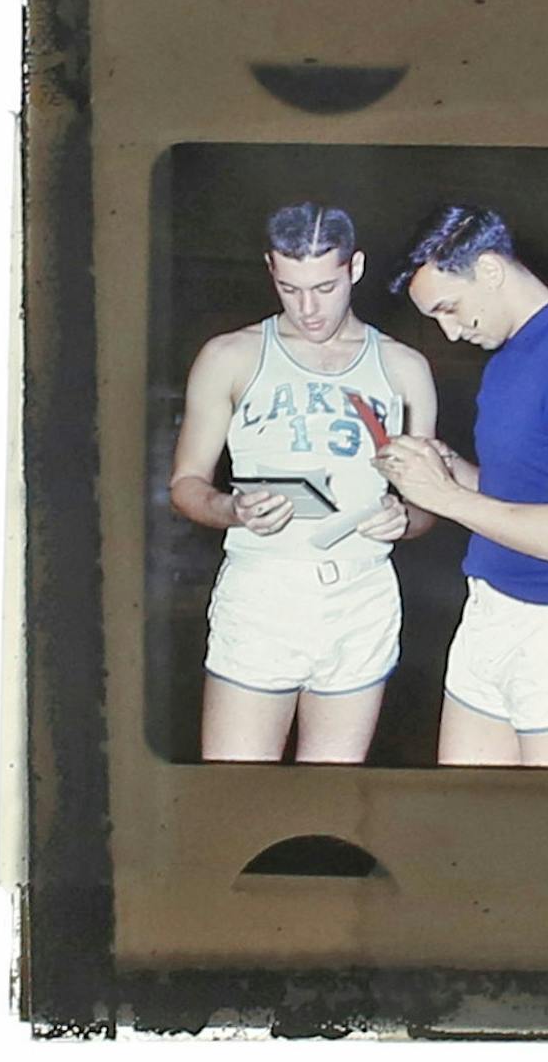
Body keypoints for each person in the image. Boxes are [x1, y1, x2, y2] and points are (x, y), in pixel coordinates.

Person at [169, 202, 438, 763]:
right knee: (236, 791)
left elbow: (429, 506)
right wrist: (230, 508)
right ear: (271, 269)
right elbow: (186, 484)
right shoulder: (230, 356)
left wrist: (404, 519)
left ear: (354, 268)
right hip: (264, 591)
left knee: (333, 797)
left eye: (324, 287)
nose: (309, 308)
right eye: (291, 289)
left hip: (361, 595)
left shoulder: (403, 367)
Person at [374, 205, 548, 769]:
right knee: (468, 829)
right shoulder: (509, 359)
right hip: (491, 609)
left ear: (490, 270)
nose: (448, 330)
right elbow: (518, 499)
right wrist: (446, 471)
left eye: (449, 308)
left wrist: (446, 498)